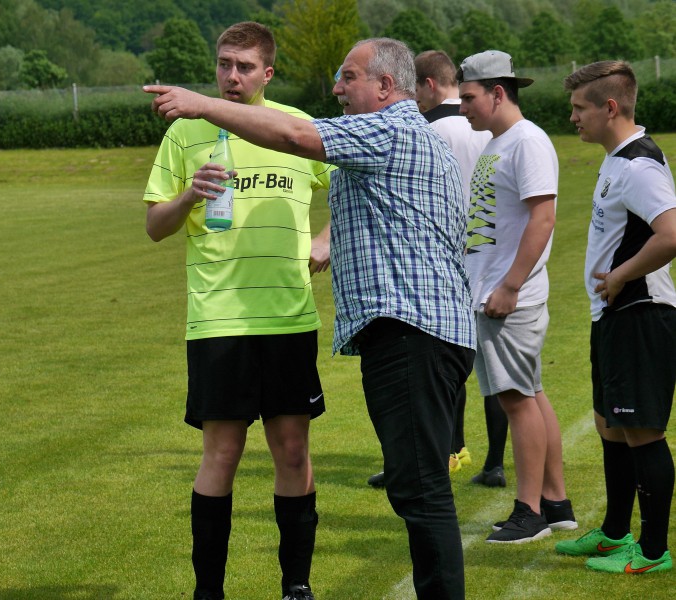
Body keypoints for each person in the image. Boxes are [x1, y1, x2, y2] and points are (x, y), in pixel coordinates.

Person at [147, 37, 475, 600]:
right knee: (414, 487)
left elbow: (299, 136)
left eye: (348, 77)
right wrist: (330, 239)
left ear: (385, 87)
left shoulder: (390, 130)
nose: (337, 88)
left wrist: (200, 104)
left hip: (412, 333)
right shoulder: (396, 135)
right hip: (413, 331)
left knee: (421, 492)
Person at [142, 22, 332, 600]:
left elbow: (358, 191)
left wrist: (326, 239)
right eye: (224, 64)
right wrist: (186, 196)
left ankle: (295, 586)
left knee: (293, 451)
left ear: (267, 73)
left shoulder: (294, 128)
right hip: (219, 319)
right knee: (221, 452)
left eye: (245, 67)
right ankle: (209, 591)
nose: (231, 76)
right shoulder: (185, 132)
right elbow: (154, 226)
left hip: (288, 318)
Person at [554, 60, 676, 574]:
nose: (573, 118)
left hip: (639, 316)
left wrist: (623, 274)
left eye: (580, 108)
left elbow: (671, 233)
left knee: (641, 430)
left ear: (609, 107)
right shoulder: (616, 157)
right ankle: (613, 533)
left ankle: (651, 553)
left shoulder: (639, 166)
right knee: (610, 426)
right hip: (611, 315)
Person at [456, 50, 576, 543]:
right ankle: (556, 502)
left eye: (468, 97)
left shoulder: (526, 142)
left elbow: (542, 218)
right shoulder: (499, 142)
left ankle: (528, 512)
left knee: (516, 400)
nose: (462, 108)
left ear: (497, 93)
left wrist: (509, 285)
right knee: (530, 393)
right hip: (492, 292)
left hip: (508, 297)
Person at [366, 50, 495, 489]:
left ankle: (442, 450)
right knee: (494, 373)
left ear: (428, 85)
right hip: (490, 252)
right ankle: (491, 459)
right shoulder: (487, 129)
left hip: (440, 257)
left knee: (436, 365)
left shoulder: (429, 129)